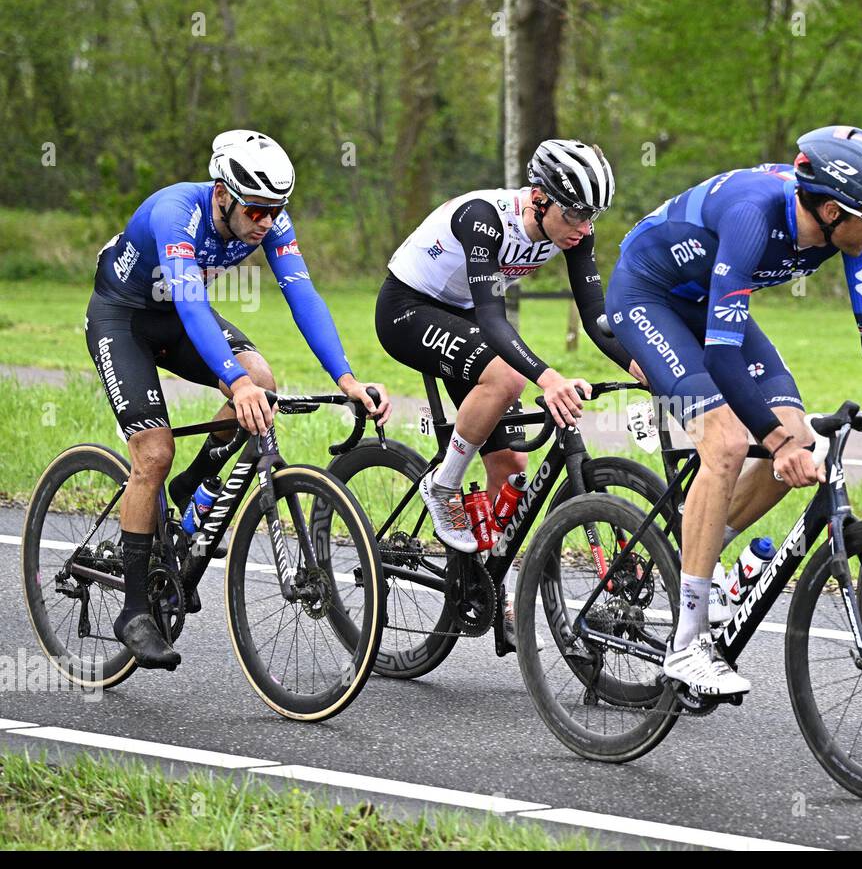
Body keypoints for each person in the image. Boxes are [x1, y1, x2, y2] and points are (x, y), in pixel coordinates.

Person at [605, 125, 862, 696]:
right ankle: (686, 644)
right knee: (724, 445)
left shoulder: (849, 232)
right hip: (647, 297)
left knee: (808, 440)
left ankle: (696, 554)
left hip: (709, 304)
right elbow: (721, 354)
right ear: (828, 209)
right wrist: (773, 442)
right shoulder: (752, 217)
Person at [88, 129, 391, 669]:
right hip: (125, 320)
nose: (265, 223)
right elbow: (190, 299)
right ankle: (134, 609)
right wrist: (233, 379)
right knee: (153, 454)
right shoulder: (176, 213)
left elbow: (302, 295)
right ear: (222, 193)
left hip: (182, 319)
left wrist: (346, 378)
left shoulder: (266, 218)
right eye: (255, 211)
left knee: (261, 377)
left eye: (276, 210)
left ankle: (192, 487)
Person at [377, 138, 643, 554]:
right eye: (575, 213)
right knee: (507, 379)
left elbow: (596, 317)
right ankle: (443, 486)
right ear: (539, 199)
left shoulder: (574, 233)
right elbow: (493, 319)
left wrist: (643, 366)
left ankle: (481, 582)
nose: (584, 228)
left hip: (464, 311)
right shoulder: (483, 218)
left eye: (593, 216)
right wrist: (549, 378)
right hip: (407, 307)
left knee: (511, 464)